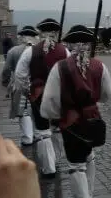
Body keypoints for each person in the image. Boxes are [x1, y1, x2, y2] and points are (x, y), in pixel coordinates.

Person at [41, 25, 111, 198]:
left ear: (70, 44)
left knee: (76, 165)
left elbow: (50, 100)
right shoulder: (100, 66)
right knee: (89, 157)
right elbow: (107, 94)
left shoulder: (60, 67)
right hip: (93, 117)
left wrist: (54, 117)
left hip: (71, 121)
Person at [15, 18, 70, 178]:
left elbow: (20, 76)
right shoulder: (64, 51)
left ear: (40, 32)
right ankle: (55, 159)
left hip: (38, 95)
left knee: (42, 131)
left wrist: (27, 91)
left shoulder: (30, 51)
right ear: (55, 33)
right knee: (57, 129)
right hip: (59, 96)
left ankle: (49, 167)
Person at [2, 26, 39, 147]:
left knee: (23, 111)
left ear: (22, 36)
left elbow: (7, 69)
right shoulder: (40, 50)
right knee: (35, 109)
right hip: (38, 84)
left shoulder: (13, 51)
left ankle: (27, 137)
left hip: (19, 83)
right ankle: (36, 133)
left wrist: (5, 82)